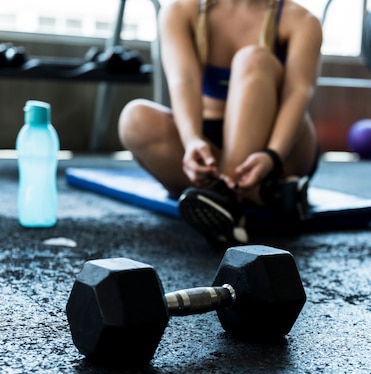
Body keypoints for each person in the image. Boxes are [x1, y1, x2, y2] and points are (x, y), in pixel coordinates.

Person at [118, 0, 323, 247]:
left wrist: (272, 155)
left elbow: (297, 94)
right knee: (134, 118)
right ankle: (264, 195)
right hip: (208, 139)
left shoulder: (301, 20)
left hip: (281, 147)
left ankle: (225, 197)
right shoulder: (180, 11)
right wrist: (192, 141)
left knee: (253, 58)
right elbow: (183, 82)